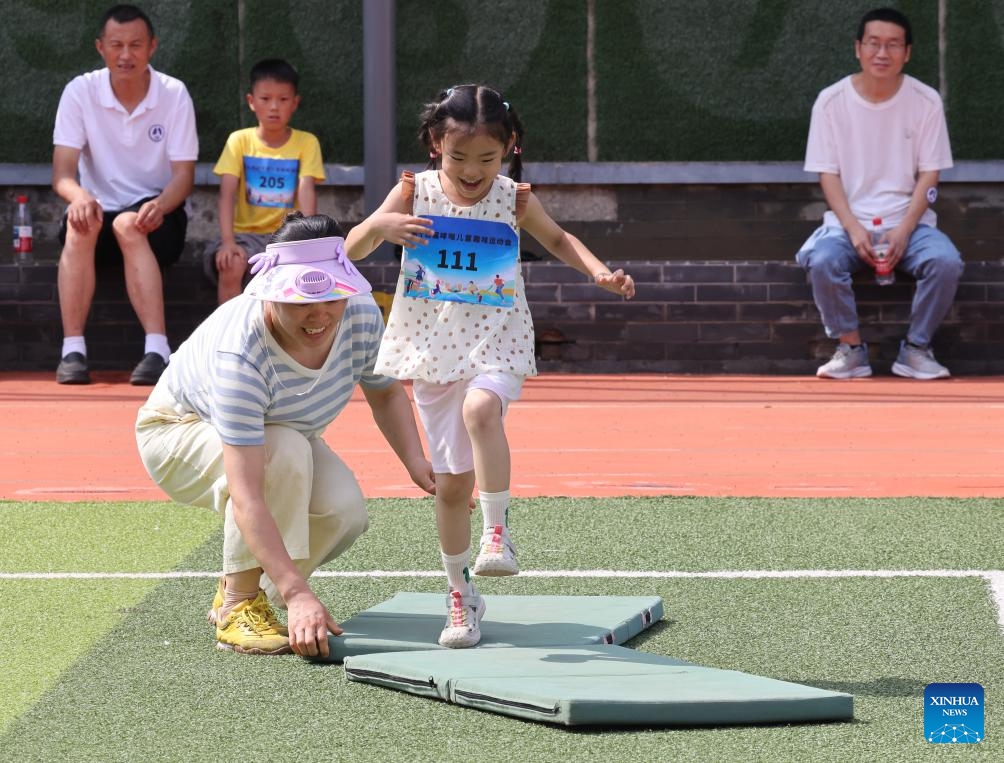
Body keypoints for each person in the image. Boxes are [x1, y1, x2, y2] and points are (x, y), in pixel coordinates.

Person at [345, 84, 635, 649]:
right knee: (451, 490)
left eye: (487, 158)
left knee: (483, 410)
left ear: (510, 149)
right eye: (459, 157)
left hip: (497, 338)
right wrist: (381, 228)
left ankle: (498, 533)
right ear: (435, 144)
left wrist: (601, 272)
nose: (472, 170)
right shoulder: (411, 191)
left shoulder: (515, 198)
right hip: (431, 349)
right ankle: (461, 597)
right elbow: (352, 247)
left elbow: (559, 238)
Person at [135, 213, 435, 658]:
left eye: (331, 296)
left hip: (281, 434)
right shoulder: (241, 353)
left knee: (344, 512)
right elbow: (248, 493)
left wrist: (417, 464)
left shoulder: (360, 313)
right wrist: (299, 592)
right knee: (286, 451)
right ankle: (239, 602)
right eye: (300, 301)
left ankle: (257, 589)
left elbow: (386, 391)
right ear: (271, 293)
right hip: (177, 432)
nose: (318, 314)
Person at [797, 7, 963, 380]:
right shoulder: (831, 101)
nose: (882, 53)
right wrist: (853, 229)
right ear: (858, 48)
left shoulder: (926, 101)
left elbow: (930, 173)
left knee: (946, 262)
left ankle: (917, 349)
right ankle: (851, 350)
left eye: (893, 45)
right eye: (874, 43)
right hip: (847, 224)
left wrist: (905, 229)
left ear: (908, 52)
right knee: (822, 261)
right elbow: (828, 174)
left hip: (911, 222)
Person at [52, 4, 198, 386]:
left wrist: (161, 205)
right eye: (116, 45)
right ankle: (72, 351)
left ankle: (157, 350)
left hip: (158, 217)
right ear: (101, 47)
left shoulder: (174, 93)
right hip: (97, 211)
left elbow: (183, 177)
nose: (126, 54)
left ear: (153, 46)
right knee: (80, 222)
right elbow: (63, 174)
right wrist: (80, 198)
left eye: (135, 44)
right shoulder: (79, 91)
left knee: (128, 223)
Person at [207, 58, 325, 304]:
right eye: (265, 99)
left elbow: (306, 191)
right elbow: (226, 194)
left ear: (295, 103)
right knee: (231, 263)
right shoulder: (238, 140)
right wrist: (228, 242)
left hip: (285, 235)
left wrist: (304, 241)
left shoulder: (307, 142)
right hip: (243, 236)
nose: (274, 107)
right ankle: (227, 338)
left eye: (283, 100)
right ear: (251, 102)